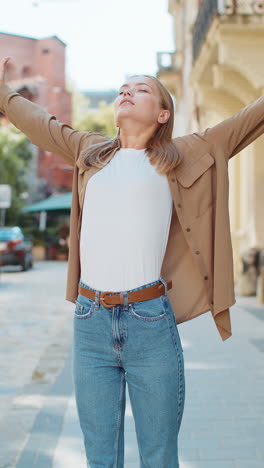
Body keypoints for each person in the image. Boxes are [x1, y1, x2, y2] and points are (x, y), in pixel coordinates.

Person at [1, 56, 264, 468]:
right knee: (100, 459)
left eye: (141, 89)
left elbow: (248, 119)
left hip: (150, 322)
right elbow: (42, 124)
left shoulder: (185, 154)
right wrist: (4, 93)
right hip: (90, 323)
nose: (127, 91)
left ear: (163, 114)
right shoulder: (90, 150)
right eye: (124, 87)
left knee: (158, 457)